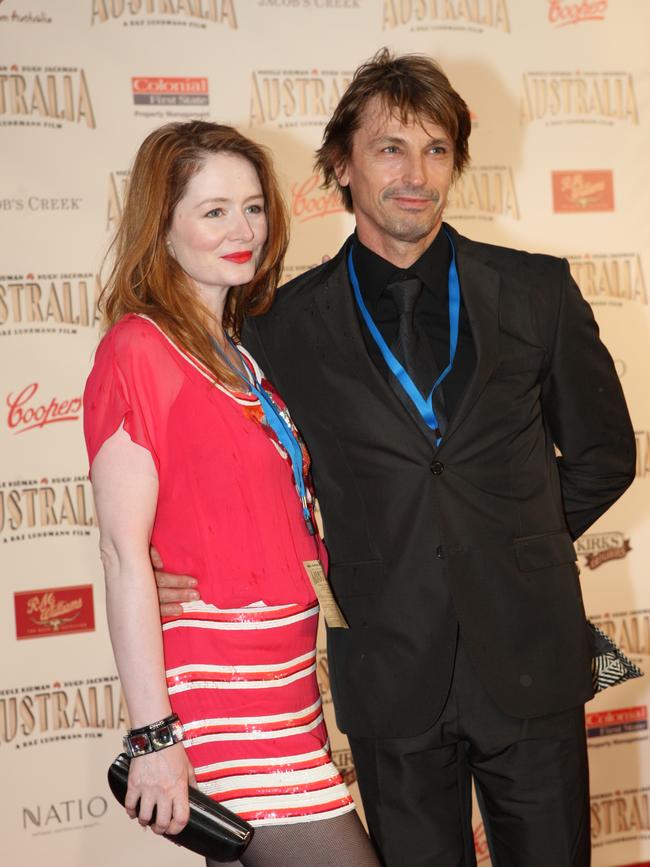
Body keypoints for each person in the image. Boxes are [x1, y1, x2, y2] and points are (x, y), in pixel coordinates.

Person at [155, 51, 636, 867]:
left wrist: (512, 536)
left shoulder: (536, 290)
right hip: (389, 665)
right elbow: (243, 476)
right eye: (389, 149)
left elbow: (604, 453)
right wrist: (176, 559)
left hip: (530, 655)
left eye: (436, 149)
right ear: (340, 164)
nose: (416, 174)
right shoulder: (278, 325)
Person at [82, 120, 380, 867]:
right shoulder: (138, 348)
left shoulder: (238, 349)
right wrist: (153, 737)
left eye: (252, 206)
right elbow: (123, 554)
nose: (242, 228)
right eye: (213, 210)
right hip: (221, 683)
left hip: (285, 684)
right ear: (163, 225)